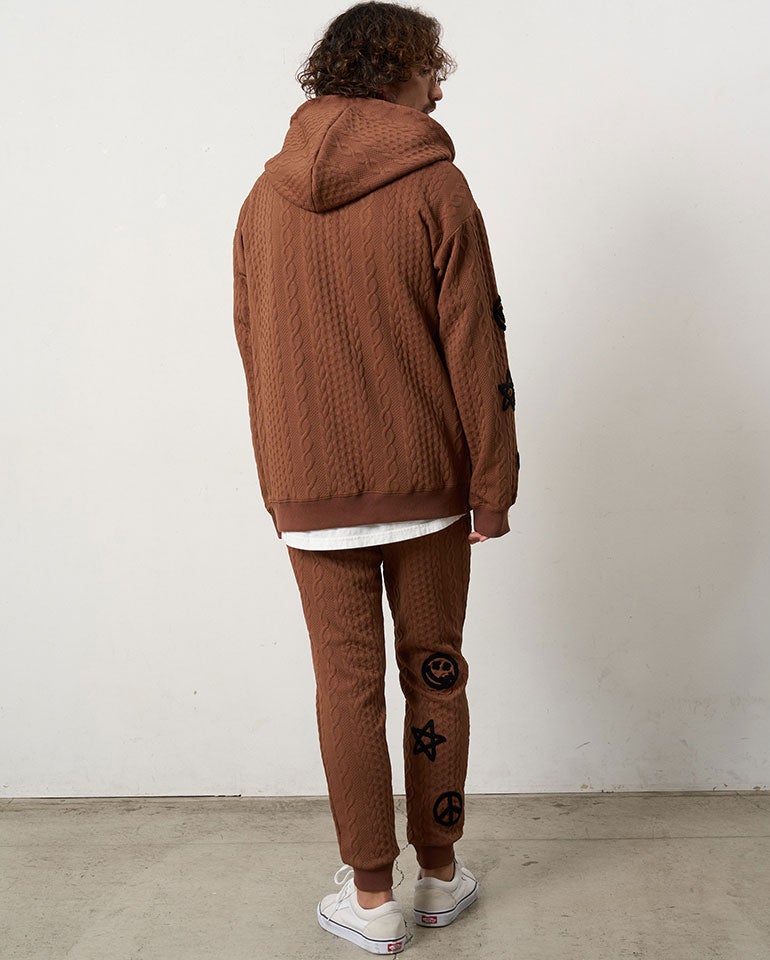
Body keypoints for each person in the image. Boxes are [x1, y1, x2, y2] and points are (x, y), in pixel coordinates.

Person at [232, 1, 519, 953]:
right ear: (396, 68)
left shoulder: (262, 201)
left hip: (310, 485)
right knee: (435, 670)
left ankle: (369, 904)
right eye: (432, 69)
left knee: (344, 687)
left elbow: (254, 351)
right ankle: (437, 878)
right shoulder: (438, 186)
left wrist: (281, 483)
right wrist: (494, 484)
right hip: (427, 483)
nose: (439, 91)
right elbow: (476, 346)